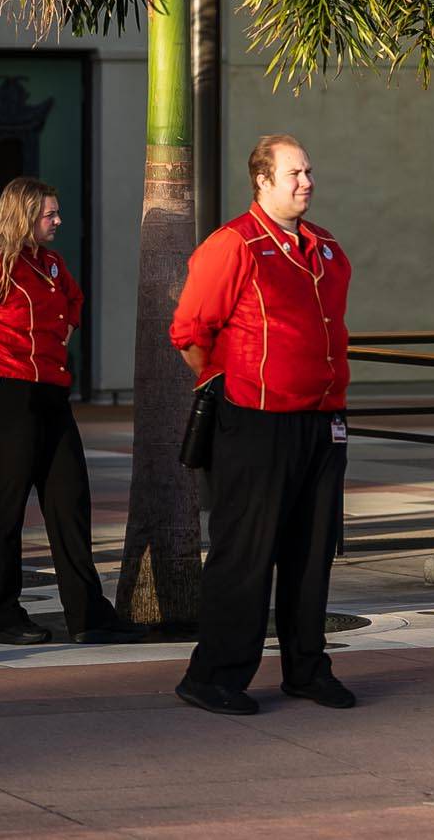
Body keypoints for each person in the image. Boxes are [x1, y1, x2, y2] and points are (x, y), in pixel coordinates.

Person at [168, 134, 355, 716]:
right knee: (245, 554)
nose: (306, 182)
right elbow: (190, 333)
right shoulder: (234, 245)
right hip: (255, 422)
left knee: (311, 551)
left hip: (322, 422)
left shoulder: (324, 246)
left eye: (308, 171)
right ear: (262, 181)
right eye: (294, 173)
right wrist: (230, 386)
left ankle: (307, 668)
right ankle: (214, 676)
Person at [0, 178, 138, 647]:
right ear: (22, 216)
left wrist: (59, 344)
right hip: (4, 395)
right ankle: (2, 615)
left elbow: (74, 303)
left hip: (51, 394)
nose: (58, 221)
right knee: (7, 508)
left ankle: (87, 613)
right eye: (49, 215)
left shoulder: (52, 264)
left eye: (57, 212)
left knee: (69, 501)